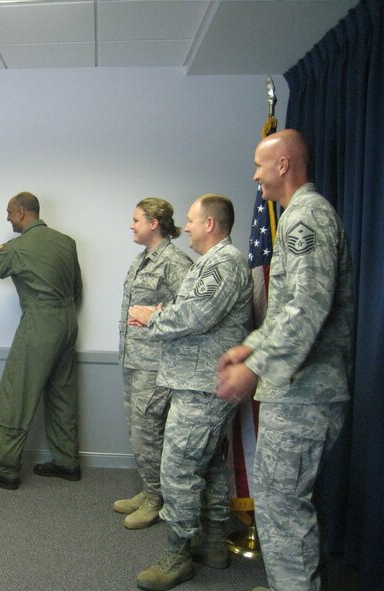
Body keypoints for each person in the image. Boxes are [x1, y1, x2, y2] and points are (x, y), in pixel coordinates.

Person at [217, 129, 354, 591]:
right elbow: (293, 304)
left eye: (260, 165)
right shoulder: (299, 216)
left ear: (283, 165)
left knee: (281, 506)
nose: (255, 175)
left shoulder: (305, 219)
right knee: (285, 505)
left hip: (304, 394)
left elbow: (306, 307)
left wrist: (252, 368)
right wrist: (252, 345)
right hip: (298, 389)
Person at [128, 194, 252, 590]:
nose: (188, 227)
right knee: (209, 464)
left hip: (203, 386)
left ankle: (178, 554)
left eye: (193, 221)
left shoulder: (224, 263)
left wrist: (153, 317)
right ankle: (213, 542)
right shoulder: (210, 264)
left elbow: (195, 316)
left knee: (178, 467)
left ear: (211, 224)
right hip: (199, 381)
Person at [0, 191, 82, 490]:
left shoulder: (18, 248)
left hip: (40, 324)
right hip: (67, 322)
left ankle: (5, 469)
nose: (8, 218)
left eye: (10, 213)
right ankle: (67, 462)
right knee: (62, 395)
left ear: (22, 212)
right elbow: (77, 289)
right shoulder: (66, 242)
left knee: (16, 394)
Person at [114, 198, 192, 529]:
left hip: (156, 364)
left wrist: (157, 317)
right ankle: (149, 489)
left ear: (154, 223)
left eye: (136, 220)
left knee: (148, 431)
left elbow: (189, 311)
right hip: (135, 360)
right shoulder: (143, 259)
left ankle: (156, 498)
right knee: (139, 431)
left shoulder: (174, 262)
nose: (132, 225)